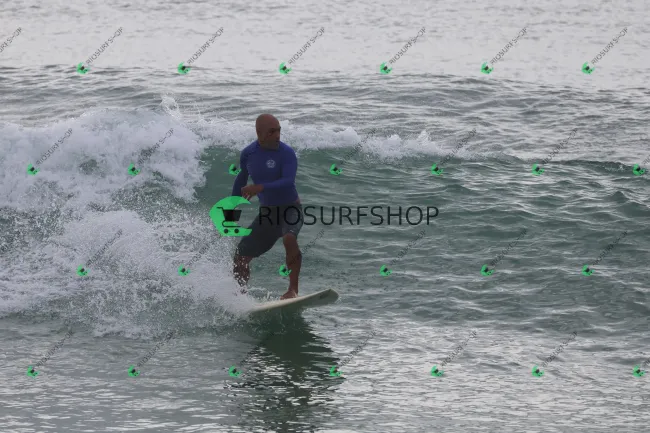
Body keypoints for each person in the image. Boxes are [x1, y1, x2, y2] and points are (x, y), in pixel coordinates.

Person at [230, 114, 303, 299]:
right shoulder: (248, 153)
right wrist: (230, 211)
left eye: (279, 130)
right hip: (268, 214)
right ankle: (240, 297)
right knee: (240, 256)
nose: (277, 135)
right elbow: (241, 180)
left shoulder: (286, 153)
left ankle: (293, 290)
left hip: (290, 209)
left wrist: (260, 187)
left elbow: (288, 181)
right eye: (272, 132)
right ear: (259, 133)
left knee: (289, 238)